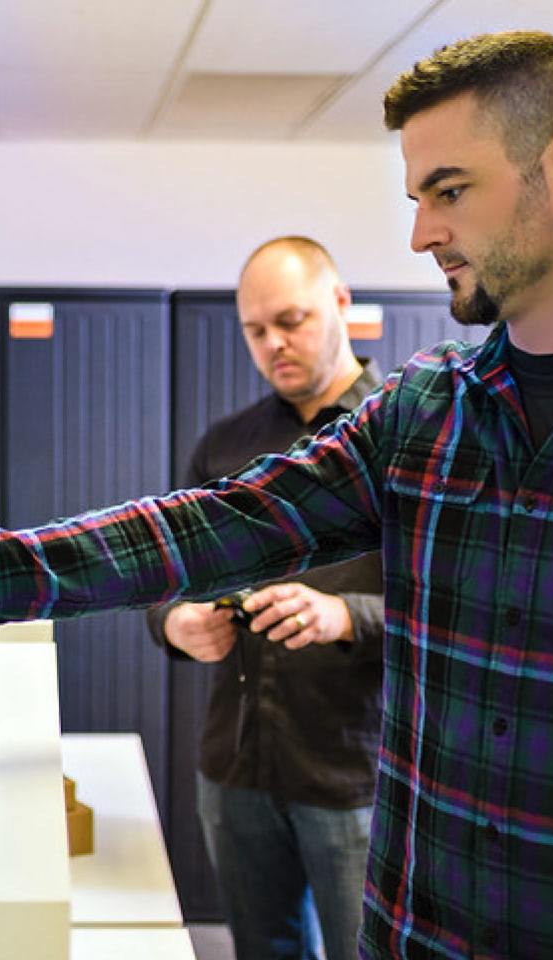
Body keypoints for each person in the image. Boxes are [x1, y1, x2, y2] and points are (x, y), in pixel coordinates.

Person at [0, 31, 553, 959]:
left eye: (450, 190)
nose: (421, 232)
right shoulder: (428, 411)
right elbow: (195, 534)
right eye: (417, 198)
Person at [146, 236, 383, 960]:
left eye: (292, 320)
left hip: (355, 774)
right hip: (238, 766)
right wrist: (174, 624)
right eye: (255, 330)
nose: (273, 343)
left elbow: (464, 606)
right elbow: (165, 575)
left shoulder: (405, 435)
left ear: (341, 304)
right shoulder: (227, 447)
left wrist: (345, 615)